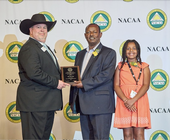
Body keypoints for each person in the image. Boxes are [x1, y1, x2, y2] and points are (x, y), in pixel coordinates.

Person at [16, 13, 69, 140]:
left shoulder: (41, 47)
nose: (42, 30)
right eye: (38, 27)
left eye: (44, 28)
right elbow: (34, 73)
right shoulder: (30, 48)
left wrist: (68, 76)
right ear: (31, 30)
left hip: (44, 103)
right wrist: (56, 82)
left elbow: (48, 70)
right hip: (36, 104)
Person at [69, 23, 116, 140]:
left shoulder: (109, 53)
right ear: (85, 35)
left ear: (100, 34)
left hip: (100, 105)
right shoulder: (80, 54)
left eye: (94, 32)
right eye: (89, 32)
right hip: (83, 103)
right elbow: (77, 75)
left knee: (100, 137)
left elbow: (106, 75)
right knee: (87, 138)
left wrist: (83, 83)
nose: (91, 34)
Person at [113, 39, 151, 140]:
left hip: (139, 101)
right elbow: (116, 86)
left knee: (139, 135)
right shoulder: (120, 67)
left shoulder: (144, 66)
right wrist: (126, 101)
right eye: (128, 48)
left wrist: (133, 100)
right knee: (127, 135)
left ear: (138, 51)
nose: (131, 51)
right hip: (124, 102)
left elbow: (146, 85)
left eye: (134, 48)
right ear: (124, 51)